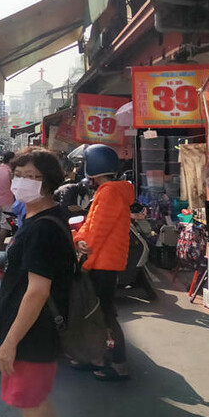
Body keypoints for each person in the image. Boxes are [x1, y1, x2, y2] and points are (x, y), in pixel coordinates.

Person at [0, 149, 75, 417]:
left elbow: (37, 291)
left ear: (49, 182)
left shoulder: (42, 228)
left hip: (33, 333)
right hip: (37, 331)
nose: (22, 182)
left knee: (33, 406)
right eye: (18, 175)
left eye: (31, 177)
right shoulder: (41, 217)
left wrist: (10, 342)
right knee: (37, 403)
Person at [73, 144, 135, 381]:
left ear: (94, 166)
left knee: (105, 314)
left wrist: (80, 243)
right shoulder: (109, 190)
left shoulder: (109, 192)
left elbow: (96, 230)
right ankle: (98, 357)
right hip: (105, 260)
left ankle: (119, 365)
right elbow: (91, 224)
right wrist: (79, 238)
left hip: (103, 262)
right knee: (99, 313)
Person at [0, 151, 15, 251]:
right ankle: (0, 246)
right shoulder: (10, 172)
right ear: (11, 160)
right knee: (5, 226)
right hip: (7, 201)